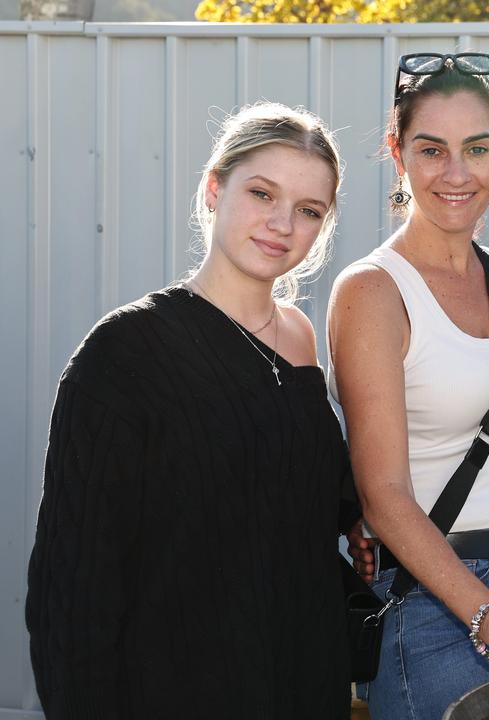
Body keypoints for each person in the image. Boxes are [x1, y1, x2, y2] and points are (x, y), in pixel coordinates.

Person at [26, 102, 353, 718]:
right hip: (175, 687)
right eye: (262, 193)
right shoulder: (125, 350)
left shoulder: (302, 338)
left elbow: (302, 495)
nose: (282, 223)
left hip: (305, 680)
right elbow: (72, 585)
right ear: (213, 187)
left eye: (308, 210)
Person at [326, 53, 489, 720]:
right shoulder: (373, 292)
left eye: (477, 148)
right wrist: (484, 611)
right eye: (431, 150)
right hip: (446, 604)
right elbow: (382, 494)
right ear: (396, 151)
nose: (457, 174)